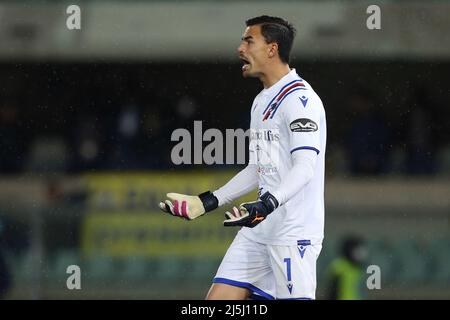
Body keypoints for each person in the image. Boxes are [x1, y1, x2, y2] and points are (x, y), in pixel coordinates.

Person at [159, 15, 326, 300]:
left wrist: (266, 203)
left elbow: (305, 168)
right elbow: (258, 169)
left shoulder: (301, 101)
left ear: (272, 49)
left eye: (249, 40)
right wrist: (208, 201)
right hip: (258, 228)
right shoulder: (262, 100)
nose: (240, 48)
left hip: (291, 233)